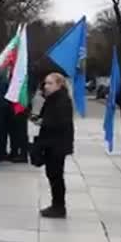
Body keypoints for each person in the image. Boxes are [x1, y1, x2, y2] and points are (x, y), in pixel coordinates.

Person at [35, 72, 74, 218]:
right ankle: (56, 204)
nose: (46, 86)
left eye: (50, 83)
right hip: (52, 143)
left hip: (57, 144)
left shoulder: (62, 100)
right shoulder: (52, 98)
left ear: (59, 85)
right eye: (45, 83)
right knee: (52, 174)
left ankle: (59, 206)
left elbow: (60, 122)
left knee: (56, 175)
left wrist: (44, 122)